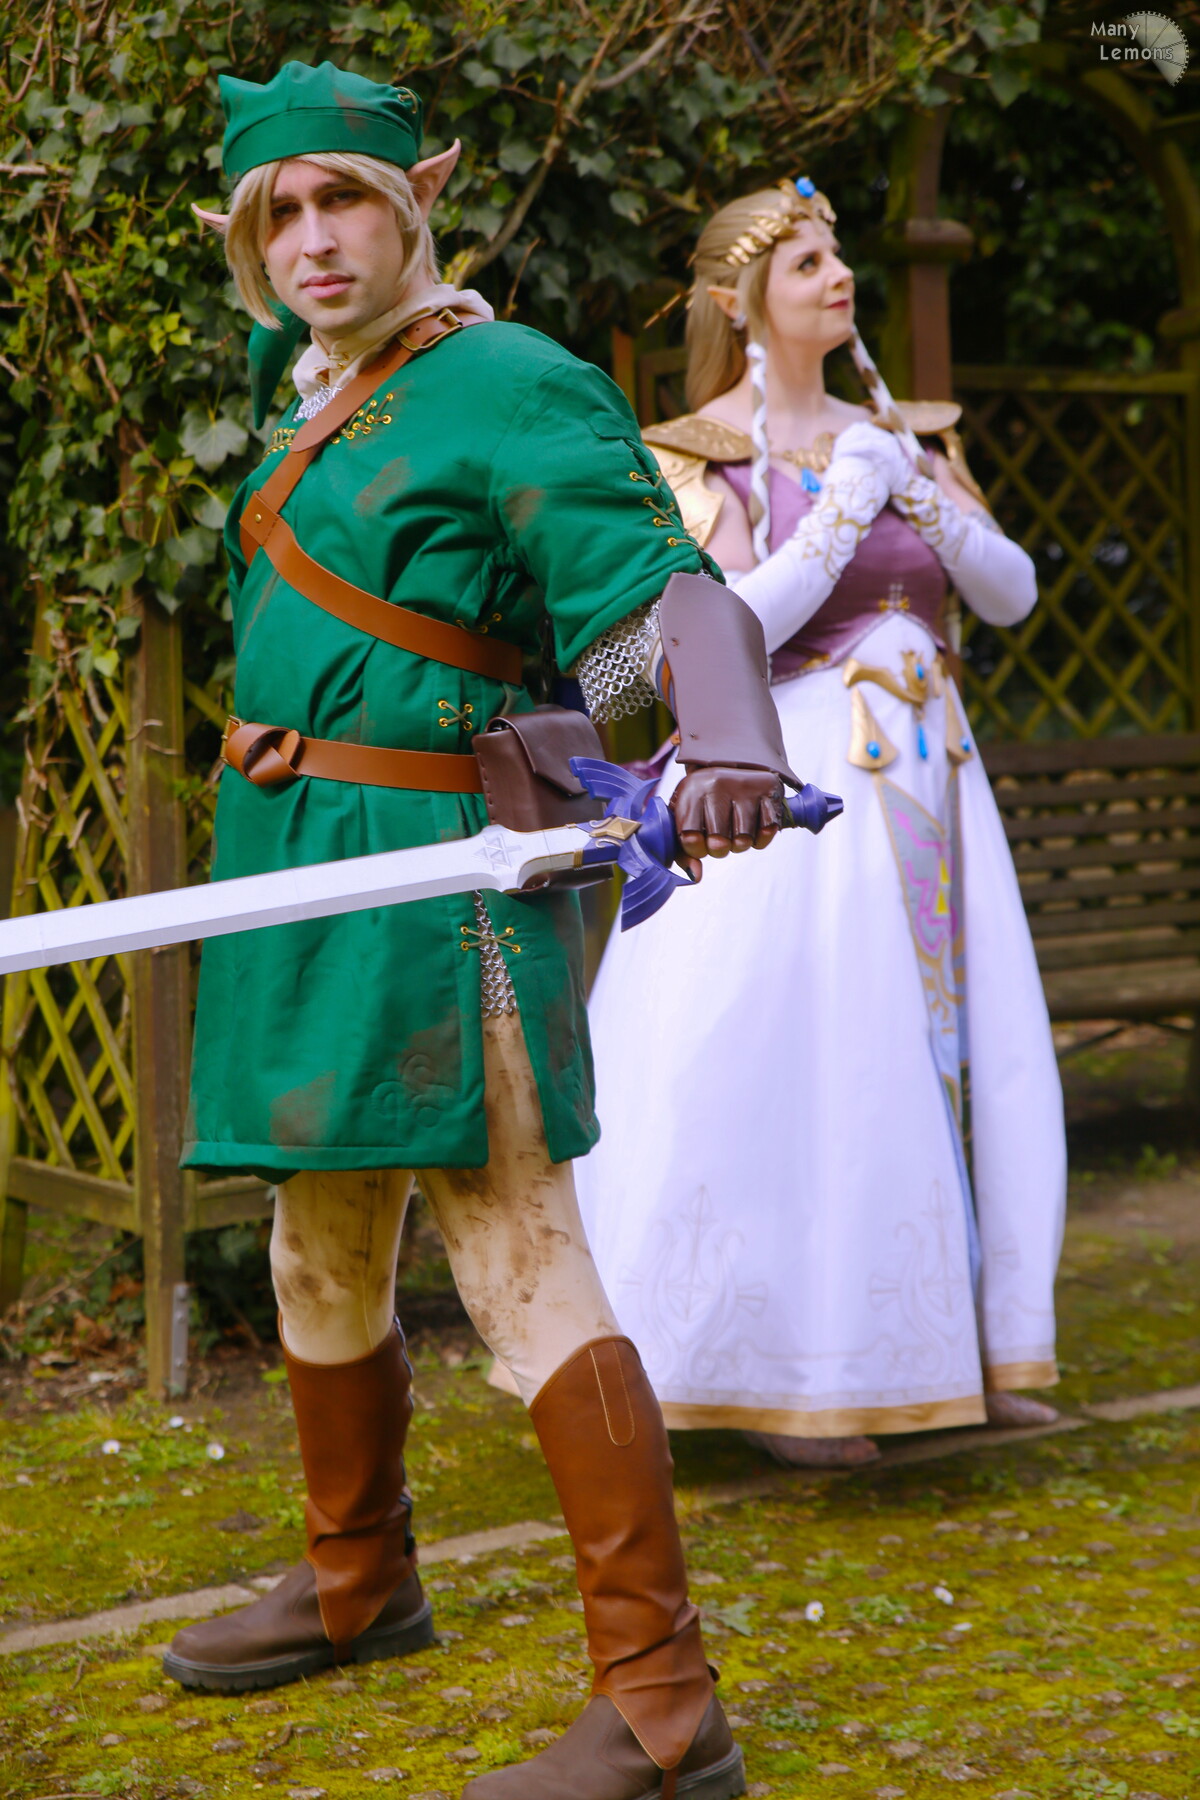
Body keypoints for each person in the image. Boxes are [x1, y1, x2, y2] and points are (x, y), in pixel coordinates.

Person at [162, 60, 801, 1800]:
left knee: (519, 1257)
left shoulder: (514, 382)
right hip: (297, 870)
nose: (312, 238)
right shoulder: (311, 388)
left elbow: (650, 595)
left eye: (343, 200)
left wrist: (720, 740)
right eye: (277, 214)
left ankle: (663, 1704)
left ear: (413, 207)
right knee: (316, 1247)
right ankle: (358, 1583)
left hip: (440, 880)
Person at [572, 178, 1067, 1469]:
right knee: (812, 1061)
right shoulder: (698, 456)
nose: (837, 275)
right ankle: (789, 1371)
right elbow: (725, 631)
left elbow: (1010, 595)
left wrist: (918, 490)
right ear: (741, 302)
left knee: (956, 1047)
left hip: (935, 782)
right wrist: (846, 505)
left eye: (836, 253)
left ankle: (961, 1348)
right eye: (804, 261)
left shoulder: (904, 433)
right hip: (790, 796)